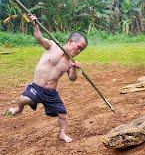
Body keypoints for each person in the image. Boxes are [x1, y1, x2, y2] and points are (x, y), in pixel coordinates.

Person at [7, 15, 88, 143]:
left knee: (63, 115)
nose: (79, 51)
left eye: (82, 50)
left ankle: (62, 133)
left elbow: (72, 79)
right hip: (36, 87)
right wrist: (35, 25)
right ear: (71, 41)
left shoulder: (69, 62)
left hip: (51, 93)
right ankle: (18, 109)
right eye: (79, 47)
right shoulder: (52, 45)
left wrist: (74, 69)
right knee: (24, 99)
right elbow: (39, 37)